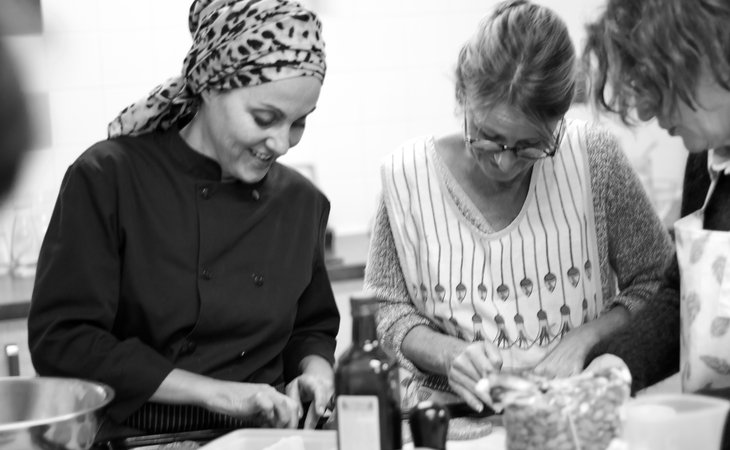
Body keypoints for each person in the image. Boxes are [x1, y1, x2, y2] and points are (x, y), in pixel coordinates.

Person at [28, 0, 339, 436]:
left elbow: (311, 325)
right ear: (211, 86)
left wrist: (316, 370)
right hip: (140, 439)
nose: (283, 143)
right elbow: (64, 341)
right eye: (265, 118)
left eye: (299, 123)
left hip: (269, 438)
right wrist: (217, 392)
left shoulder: (301, 202)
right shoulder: (109, 178)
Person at [364, 0, 674, 415]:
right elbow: (385, 309)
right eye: (488, 138)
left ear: (560, 120)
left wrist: (587, 339)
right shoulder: (407, 179)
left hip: (573, 418)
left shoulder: (592, 159)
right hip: (451, 424)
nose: (505, 162)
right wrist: (446, 353)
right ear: (462, 95)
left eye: (531, 145)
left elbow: (657, 281)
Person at [583, 0, 730, 393]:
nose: (648, 112)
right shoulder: (706, 160)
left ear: (712, 52)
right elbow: (681, 296)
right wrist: (617, 363)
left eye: (656, 83)